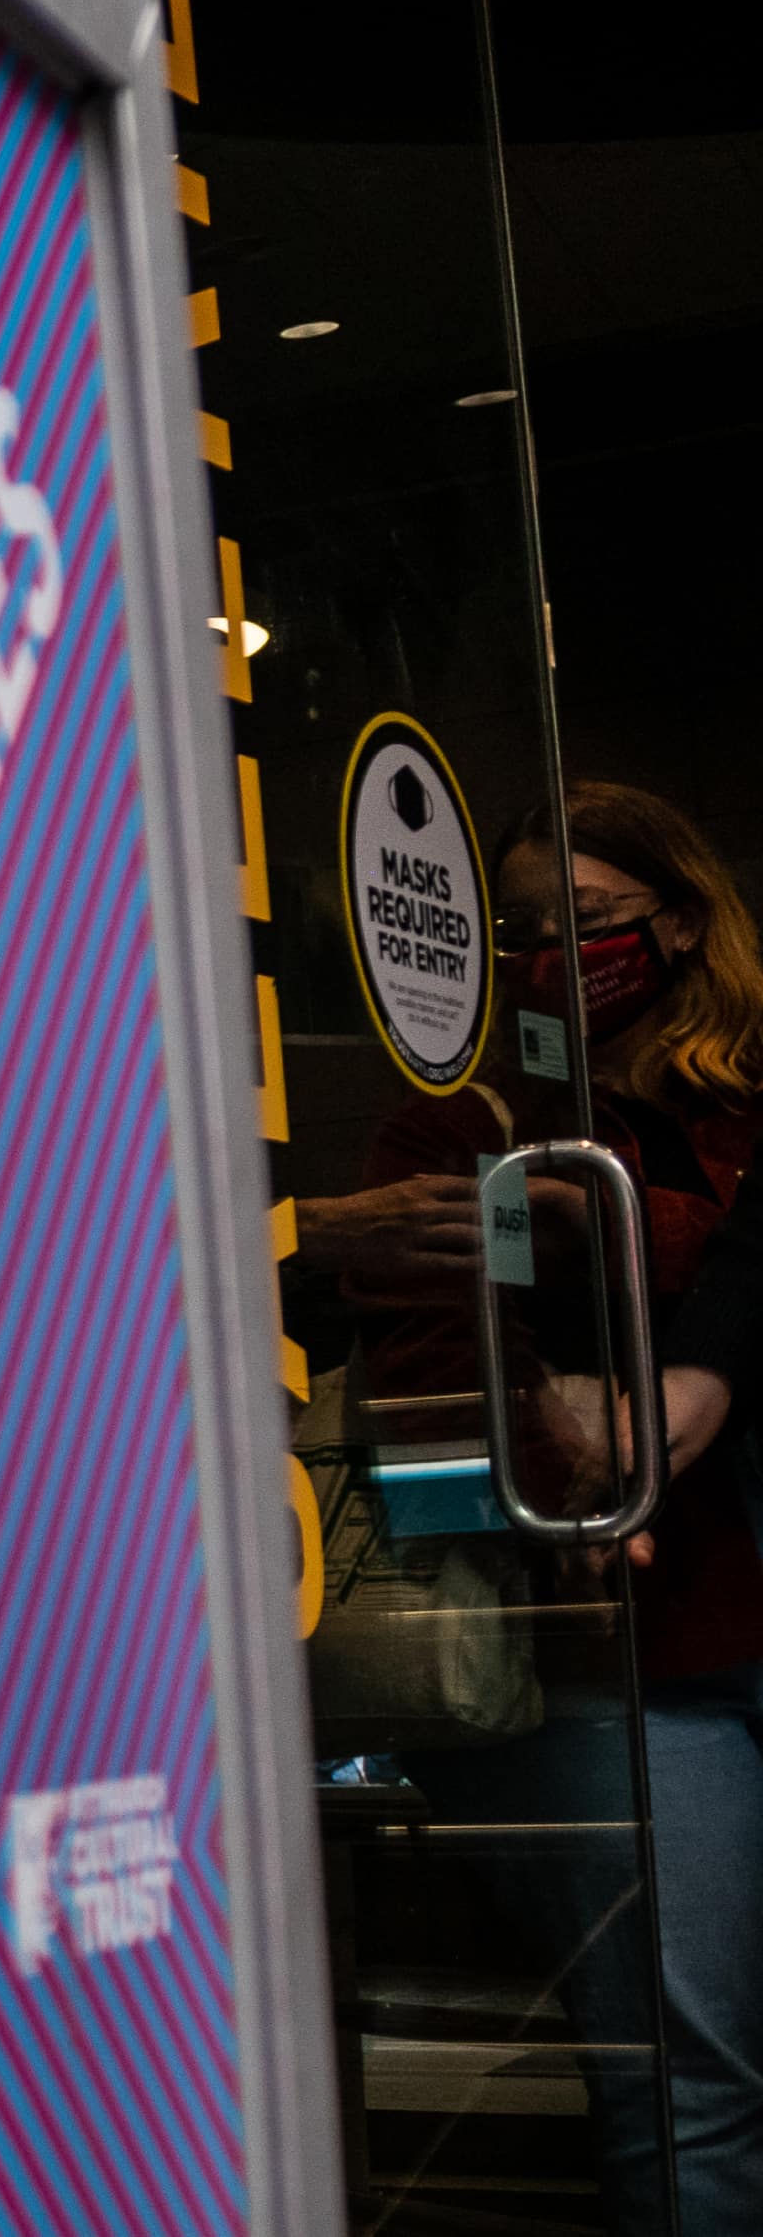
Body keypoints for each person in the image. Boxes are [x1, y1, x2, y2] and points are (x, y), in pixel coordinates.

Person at [317, 780, 763, 2228]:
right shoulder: (471, 1126)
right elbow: (460, 1383)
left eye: (590, 922)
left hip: (729, 1606)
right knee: (692, 2080)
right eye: (520, 932)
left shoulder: (737, 1121)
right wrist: (579, 1459)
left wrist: (638, 1235)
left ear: (682, 923)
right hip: (617, 1655)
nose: (552, 959)